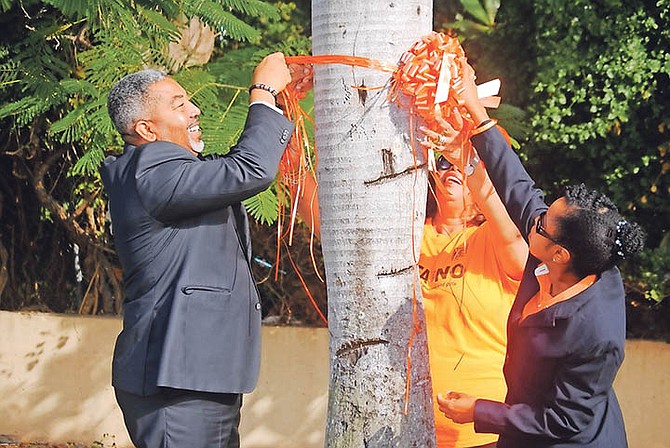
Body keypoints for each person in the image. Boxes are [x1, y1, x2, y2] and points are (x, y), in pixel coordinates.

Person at [285, 71, 527, 446]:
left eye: (467, 162)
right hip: (405, 425)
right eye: (444, 161)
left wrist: (467, 150)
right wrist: (286, 120)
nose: (452, 169)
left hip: (481, 431)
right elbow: (327, 220)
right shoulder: (412, 234)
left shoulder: (496, 239)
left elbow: (510, 225)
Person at [436, 60, 645, 447]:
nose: (534, 219)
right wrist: (476, 115)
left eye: (542, 224)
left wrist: (479, 411)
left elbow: (565, 421)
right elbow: (520, 189)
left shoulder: (595, 334)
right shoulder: (566, 251)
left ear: (560, 254)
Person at [101, 52, 293, 448]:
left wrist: (275, 105)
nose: (195, 109)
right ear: (146, 129)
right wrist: (263, 92)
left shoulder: (165, 174)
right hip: (176, 381)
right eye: (179, 105)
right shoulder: (150, 168)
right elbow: (249, 170)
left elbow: (233, 170)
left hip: (196, 374)